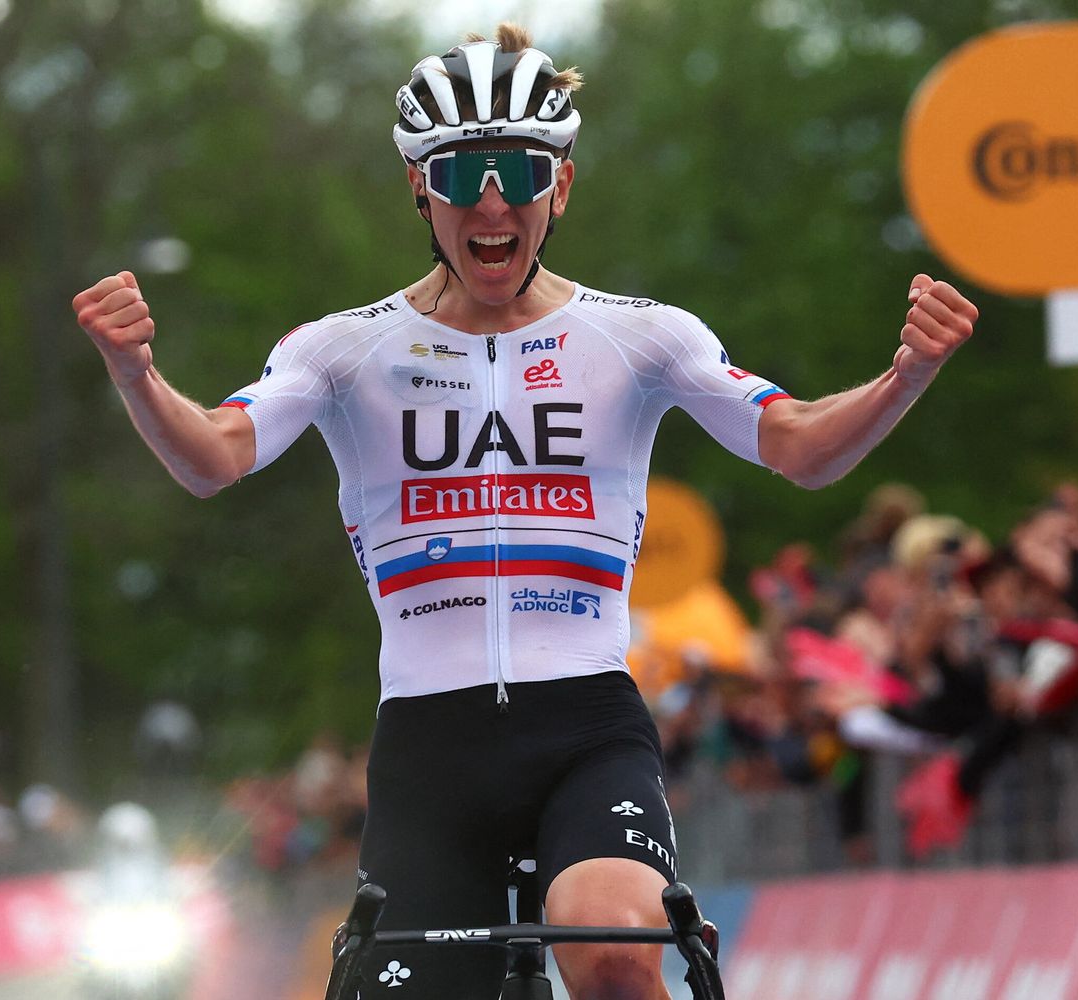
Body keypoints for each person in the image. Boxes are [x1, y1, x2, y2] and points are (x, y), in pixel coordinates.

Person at [72, 23, 977, 1000]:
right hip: (428, 748)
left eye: (518, 172)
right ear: (421, 189)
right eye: (463, 177)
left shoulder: (640, 337)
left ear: (563, 186)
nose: (492, 202)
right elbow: (213, 455)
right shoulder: (343, 350)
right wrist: (136, 374)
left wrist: (907, 375)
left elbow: (797, 445)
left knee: (622, 961)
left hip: (586, 727)